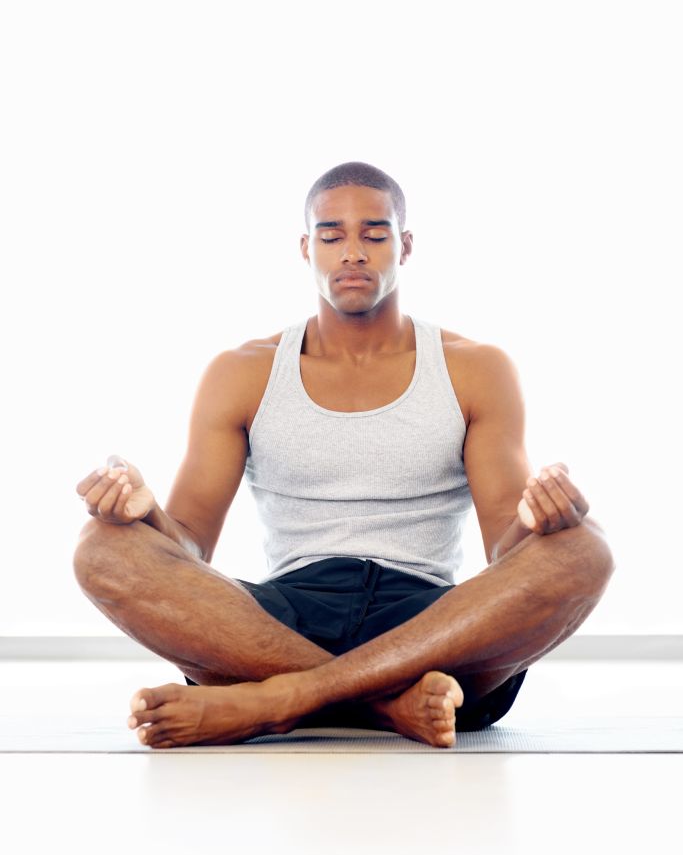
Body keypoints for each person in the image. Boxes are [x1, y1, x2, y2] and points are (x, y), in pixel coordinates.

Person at [73, 160, 615, 749]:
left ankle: (284, 699)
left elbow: (505, 547)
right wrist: (143, 515)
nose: (352, 252)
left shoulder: (475, 368)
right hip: (279, 619)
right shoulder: (242, 372)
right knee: (101, 549)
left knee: (585, 549)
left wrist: (547, 520)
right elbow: (188, 546)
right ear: (307, 248)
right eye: (332, 236)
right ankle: (387, 707)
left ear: (403, 246)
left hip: (430, 625)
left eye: (374, 235)